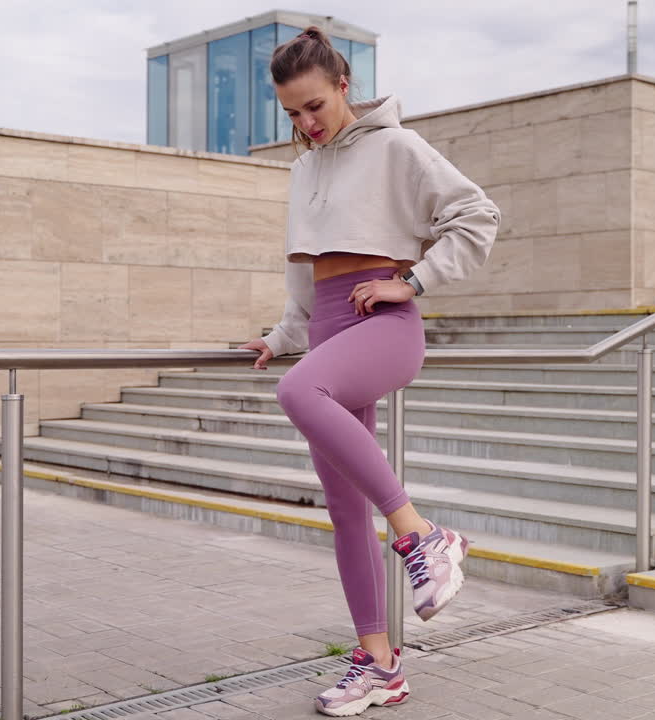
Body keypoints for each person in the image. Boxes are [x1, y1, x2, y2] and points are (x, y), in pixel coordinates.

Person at [238, 26, 500, 717]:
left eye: (315, 106)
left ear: (344, 86)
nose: (306, 123)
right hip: (328, 328)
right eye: (292, 113)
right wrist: (281, 335)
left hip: (381, 325)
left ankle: (422, 535)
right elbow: (304, 276)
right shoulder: (303, 169)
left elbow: (477, 216)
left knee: (298, 391)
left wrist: (413, 282)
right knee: (345, 513)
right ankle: (379, 664)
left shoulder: (397, 147)